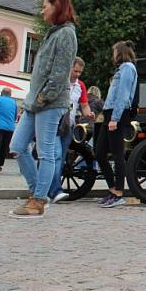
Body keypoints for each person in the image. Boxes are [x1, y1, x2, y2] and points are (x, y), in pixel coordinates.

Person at [8, 0, 78, 218]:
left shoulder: (66, 34)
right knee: (17, 146)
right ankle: (40, 192)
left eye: (45, 6)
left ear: (57, 7)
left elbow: (59, 73)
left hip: (49, 102)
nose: (42, 10)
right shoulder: (54, 33)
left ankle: (37, 201)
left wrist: (42, 97)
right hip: (35, 102)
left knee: (45, 152)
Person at [95, 42, 138, 208]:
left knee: (117, 153)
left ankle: (119, 192)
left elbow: (123, 94)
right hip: (110, 112)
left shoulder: (127, 67)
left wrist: (115, 118)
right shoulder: (122, 69)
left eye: (114, 51)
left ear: (120, 52)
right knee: (99, 153)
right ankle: (113, 189)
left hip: (116, 113)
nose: (112, 54)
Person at [48, 57, 94, 205]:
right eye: (75, 71)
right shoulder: (61, 82)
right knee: (56, 155)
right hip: (55, 122)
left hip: (69, 125)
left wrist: (89, 113)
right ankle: (55, 190)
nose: (78, 74)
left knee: (60, 158)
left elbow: (84, 105)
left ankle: (51, 190)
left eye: (80, 72)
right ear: (69, 68)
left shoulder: (80, 86)